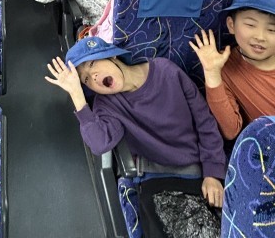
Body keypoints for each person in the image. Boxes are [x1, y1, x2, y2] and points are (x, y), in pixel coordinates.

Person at [45, 37, 226, 207]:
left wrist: (212, 173)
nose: (93, 76)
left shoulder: (166, 71)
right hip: (153, 175)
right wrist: (77, 95)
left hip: (195, 169)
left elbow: (204, 121)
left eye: (92, 64)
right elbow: (100, 144)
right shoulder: (106, 105)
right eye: (85, 79)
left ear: (112, 56)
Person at [190, 0, 275, 140]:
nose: (260, 36)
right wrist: (212, 72)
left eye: (271, 29)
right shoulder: (224, 66)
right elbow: (231, 131)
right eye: (250, 25)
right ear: (231, 25)